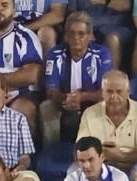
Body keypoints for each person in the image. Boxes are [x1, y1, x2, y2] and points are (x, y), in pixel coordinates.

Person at [39, 14, 111, 147]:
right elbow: (51, 90)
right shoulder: (55, 54)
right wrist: (66, 98)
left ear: (90, 36)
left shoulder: (102, 54)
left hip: (92, 102)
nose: (76, 38)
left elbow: (105, 91)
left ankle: (95, 151)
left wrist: (82, 97)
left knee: (105, 104)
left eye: (81, 34)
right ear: (66, 36)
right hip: (63, 101)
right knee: (46, 107)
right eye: (71, 33)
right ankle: (51, 151)